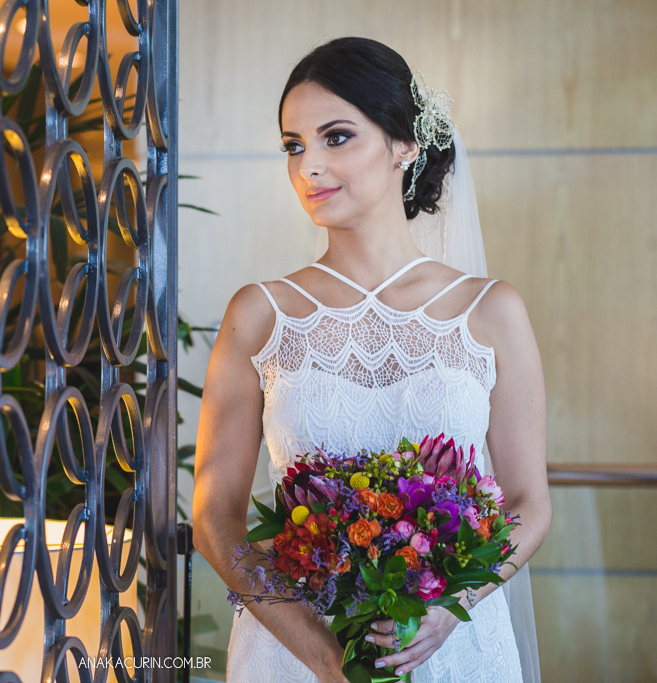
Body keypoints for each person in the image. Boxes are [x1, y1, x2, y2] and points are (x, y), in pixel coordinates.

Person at [190, 37, 552, 683]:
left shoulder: (491, 310)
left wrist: (451, 606)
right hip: (294, 651)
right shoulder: (260, 313)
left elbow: (530, 502)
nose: (309, 167)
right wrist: (325, 657)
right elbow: (215, 519)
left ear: (404, 144)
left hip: (450, 647)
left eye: (336, 137)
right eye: (293, 145)